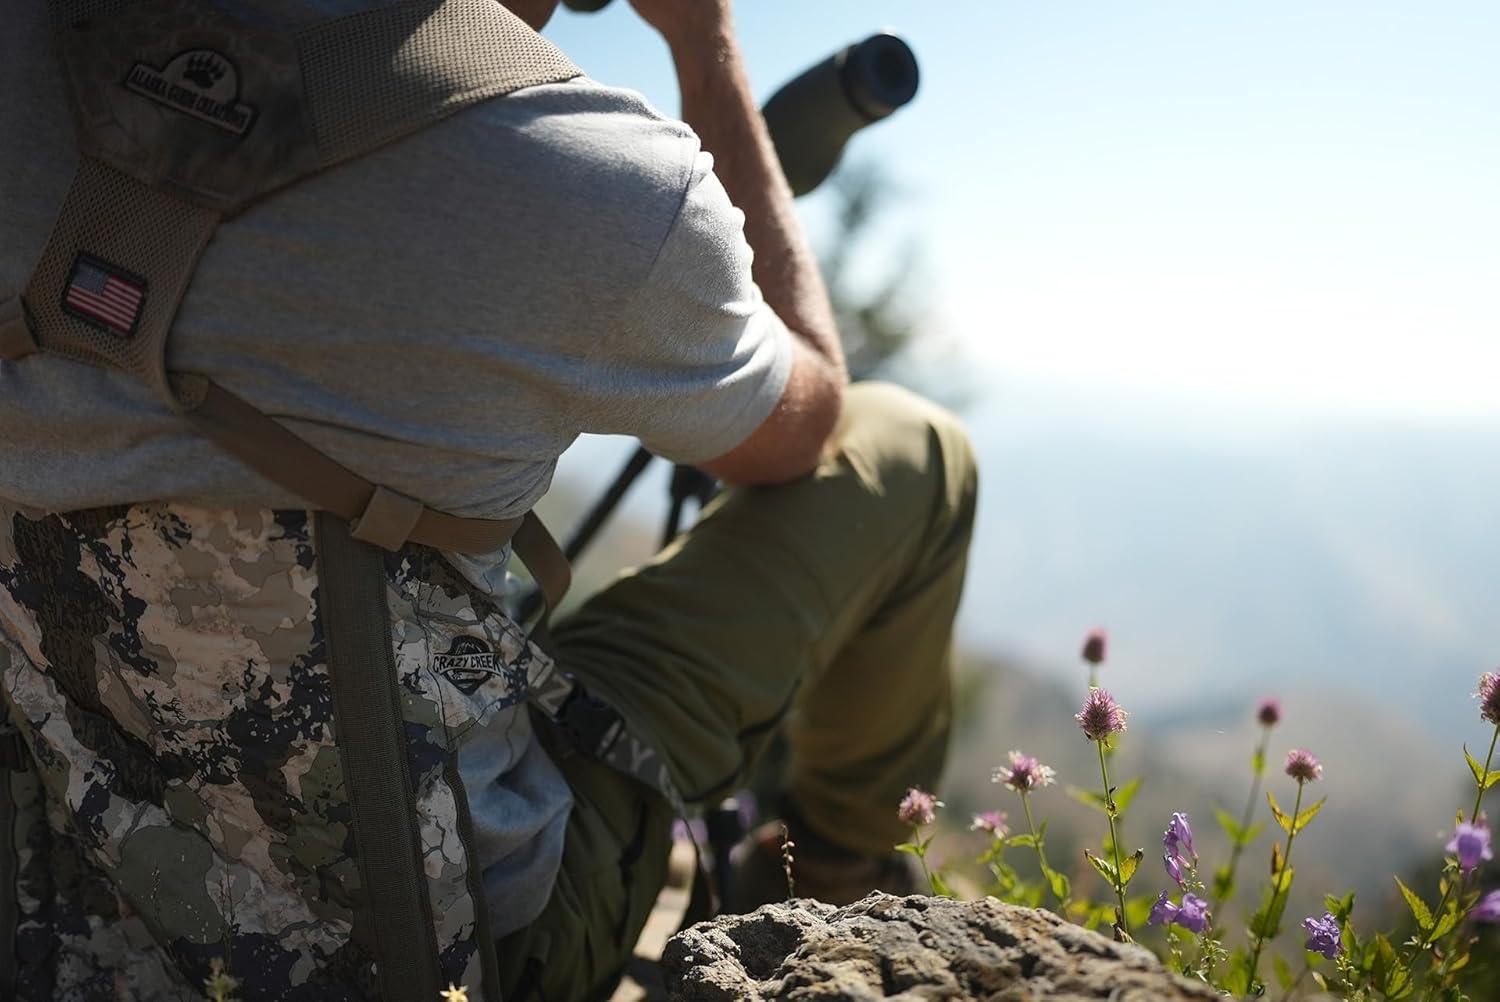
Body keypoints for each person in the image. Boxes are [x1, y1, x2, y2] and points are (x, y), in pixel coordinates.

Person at [0, 0, 976, 997]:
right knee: (914, 449)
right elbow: (808, 418)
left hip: (59, 912)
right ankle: (841, 891)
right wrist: (704, 45)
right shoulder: (597, 177)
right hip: (459, 953)